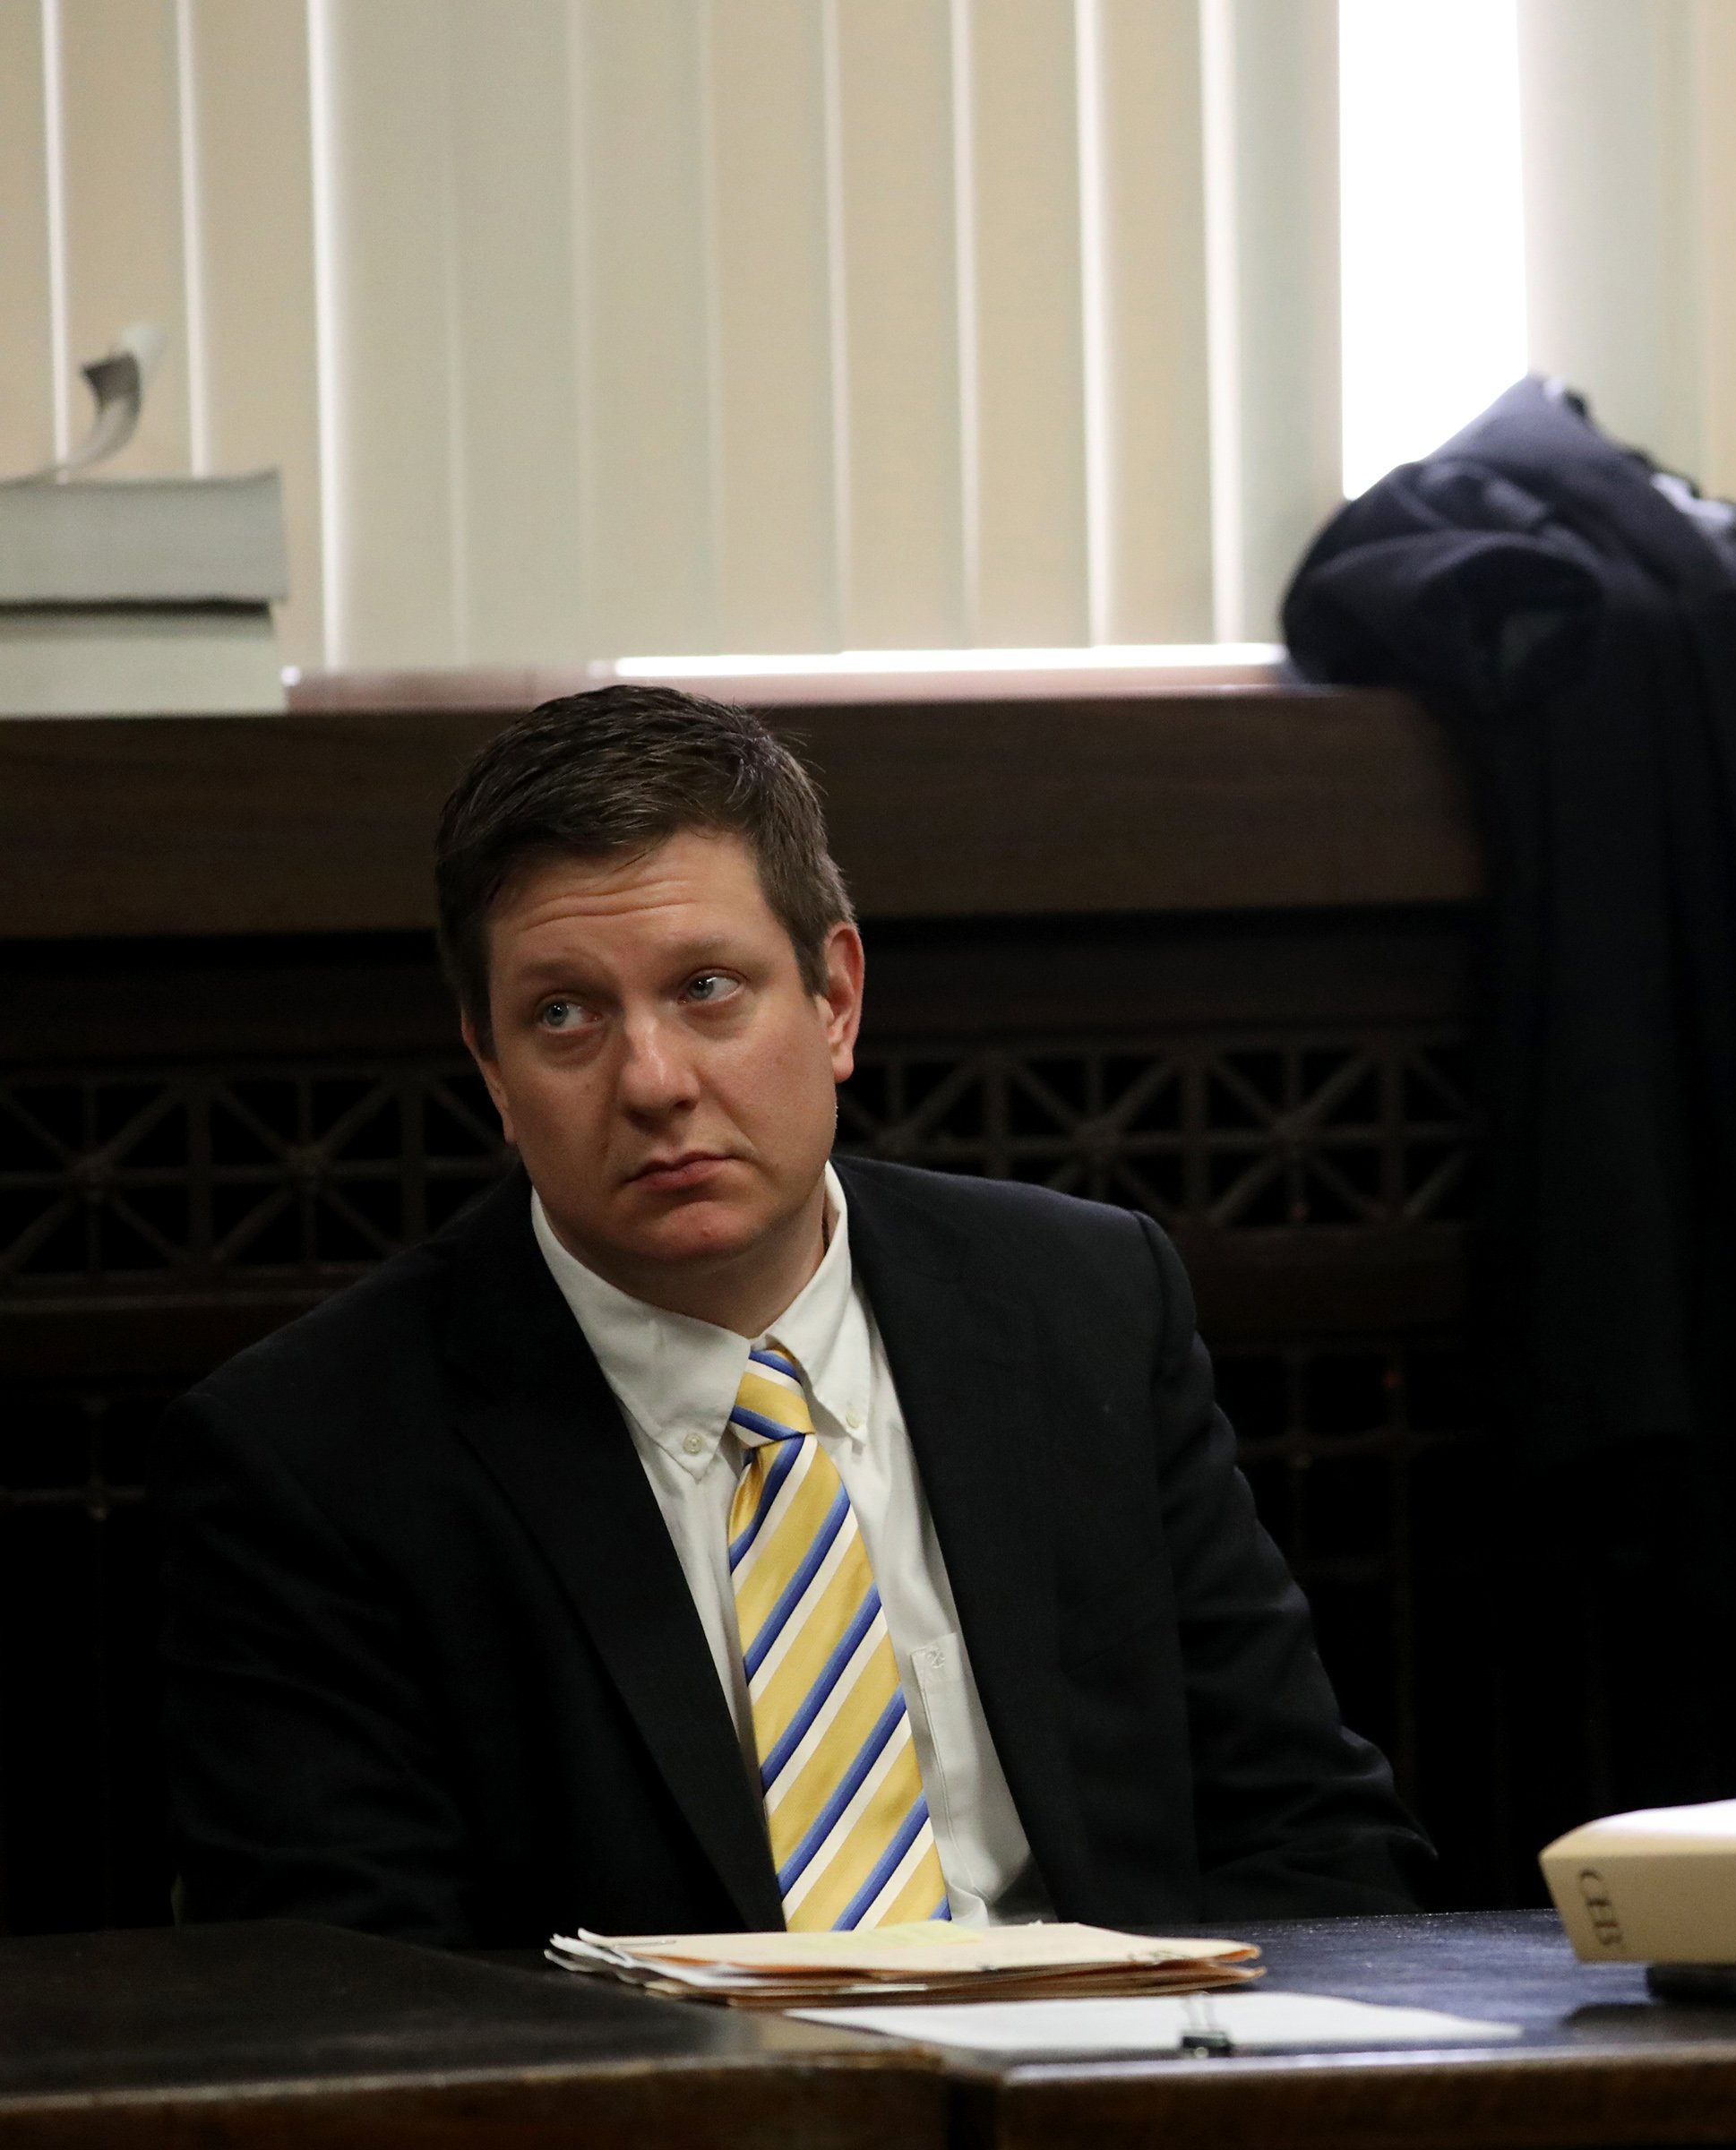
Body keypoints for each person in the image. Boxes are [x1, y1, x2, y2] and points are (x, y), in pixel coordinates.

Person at [159, 686, 1432, 1947]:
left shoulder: (1081, 1306)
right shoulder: (316, 1453)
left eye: (708, 988)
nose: (654, 1082)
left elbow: (1309, 1839)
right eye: (564, 1016)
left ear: (835, 1000)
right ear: (491, 1069)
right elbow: (350, 1992)